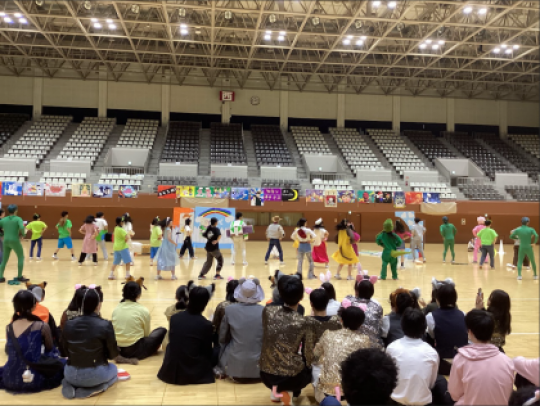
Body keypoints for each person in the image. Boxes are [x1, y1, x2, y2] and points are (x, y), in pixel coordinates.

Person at [0, 290, 65, 393]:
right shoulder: (41, 326)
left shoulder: (9, 328)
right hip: (34, 377)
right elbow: (49, 348)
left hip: (10, 377)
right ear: (34, 306)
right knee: (61, 363)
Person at [259, 275, 311, 404]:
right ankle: (289, 392)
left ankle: (277, 391)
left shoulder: (267, 311)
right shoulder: (304, 322)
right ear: (302, 297)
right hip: (291, 377)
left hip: (266, 373)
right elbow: (307, 353)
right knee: (308, 366)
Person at [61, 285, 120, 399]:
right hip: (94, 374)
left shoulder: (69, 323)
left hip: (70, 372)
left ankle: (68, 383)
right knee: (114, 370)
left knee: (69, 373)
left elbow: (64, 351)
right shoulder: (105, 324)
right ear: (98, 305)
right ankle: (99, 387)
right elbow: (113, 355)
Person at [314, 306, 380, 404]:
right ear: (361, 324)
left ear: (341, 320)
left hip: (325, 390)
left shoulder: (328, 334)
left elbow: (316, 354)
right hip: (350, 391)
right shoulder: (364, 340)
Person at [448, 310, 514, 405]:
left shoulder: (460, 359)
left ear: (470, 332)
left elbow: (454, 394)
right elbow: (507, 392)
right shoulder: (507, 361)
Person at [157, 283, 215, 385]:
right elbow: (207, 351)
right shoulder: (206, 325)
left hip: (171, 371)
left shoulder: (175, 318)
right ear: (205, 304)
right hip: (193, 372)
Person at [386, 308, 443, 406]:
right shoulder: (431, 352)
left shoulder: (392, 348)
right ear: (424, 327)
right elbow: (431, 383)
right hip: (423, 402)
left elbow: (388, 378)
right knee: (441, 381)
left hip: (396, 401)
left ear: (402, 326)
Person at [218, 277, 265, 380]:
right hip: (260, 368)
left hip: (233, 368)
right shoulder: (265, 311)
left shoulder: (229, 310)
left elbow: (222, 338)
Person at [111, 280, 167, 360]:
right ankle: (151, 351)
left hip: (118, 349)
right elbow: (146, 335)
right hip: (135, 350)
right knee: (162, 331)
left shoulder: (116, 309)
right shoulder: (143, 310)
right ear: (138, 295)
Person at [426, 284, 468, 375]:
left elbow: (431, 336)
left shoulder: (430, 317)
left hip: (441, 363)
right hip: (463, 362)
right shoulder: (464, 315)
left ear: (437, 300)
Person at [305, 289, 342, 387]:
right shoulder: (337, 321)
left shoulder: (307, 322)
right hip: (333, 362)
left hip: (315, 363)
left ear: (311, 304)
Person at [344, 277, 383, 345]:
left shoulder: (349, 301)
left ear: (357, 291)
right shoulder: (377, 305)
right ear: (372, 291)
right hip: (373, 343)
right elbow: (379, 324)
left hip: (352, 343)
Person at [0, 204, 28, 283]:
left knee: (4, 260)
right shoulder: (18, 219)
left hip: (5, 241)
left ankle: (0, 277)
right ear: (16, 210)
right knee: (20, 257)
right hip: (15, 240)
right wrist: (23, 234)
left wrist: (1, 235)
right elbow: (22, 227)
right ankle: (19, 276)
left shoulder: (3, 220)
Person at [26, 282, 60, 346]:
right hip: (38, 346)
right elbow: (51, 331)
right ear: (41, 297)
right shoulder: (44, 310)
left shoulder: (18, 311)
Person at [163, 285, 188, 350]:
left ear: (176, 297)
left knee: (163, 331)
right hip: (188, 346)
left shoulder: (169, 309)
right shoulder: (195, 310)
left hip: (170, 346)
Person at [109, 216, 132, 281]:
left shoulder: (115, 228)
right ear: (121, 222)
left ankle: (110, 275)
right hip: (123, 248)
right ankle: (127, 275)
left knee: (115, 262)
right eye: (123, 221)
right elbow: (127, 237)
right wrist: (125, 240)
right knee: (128, 261)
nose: (123, 223)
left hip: (116, 248)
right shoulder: (122, 230)